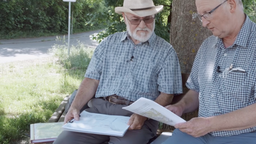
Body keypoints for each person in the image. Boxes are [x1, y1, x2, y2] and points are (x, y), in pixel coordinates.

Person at [53, 0, 183, 143]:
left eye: (147, 18)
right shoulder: (108, 43)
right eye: (135, 20)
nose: (142, 25)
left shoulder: (166, 52)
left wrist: (143, 115)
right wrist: (75, 107)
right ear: (124, 17)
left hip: (136, 117)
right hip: (98, 111)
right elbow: (91, 79)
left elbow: (167, 94)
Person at [162, 0, 256, 144]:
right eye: (201, 16)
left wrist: (210, 124)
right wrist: (180, 106)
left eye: (207, 13)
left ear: (231, 5)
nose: (204, 24)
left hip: (244, 136)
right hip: (198, 135)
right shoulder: (207, 46)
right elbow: (196, 91)